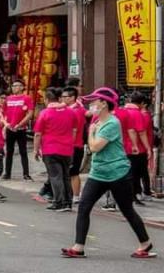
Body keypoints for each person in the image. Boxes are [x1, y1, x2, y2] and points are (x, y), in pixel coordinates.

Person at [62, 87, 156, 259]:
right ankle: (78, 247)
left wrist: (90, 133)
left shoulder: (112, 123)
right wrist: (92, 131)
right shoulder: (97, 121)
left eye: (94, 101)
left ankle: (145, 243)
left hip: (117, 173)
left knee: (127, 209)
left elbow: (95, 146)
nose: (91, 104)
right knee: (84, 206)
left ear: (104, 103)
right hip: (98, 172)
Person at [33, 87, 77, 212]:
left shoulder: (45, 113)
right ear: (59, 99)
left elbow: (37, 134)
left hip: (50, 149)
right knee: (66, 176)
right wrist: (70, 143)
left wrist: (36, 150)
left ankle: (59, 202)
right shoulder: (70, 112)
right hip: (67, 149)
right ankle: (68, 202)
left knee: (55, 176)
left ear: (47, 100)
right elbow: (74, 130)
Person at [119, 91, 151, 205]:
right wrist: (148, 148)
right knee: (135, 174)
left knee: (126, 173)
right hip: (135, 149)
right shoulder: (137, 114)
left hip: (121, 147)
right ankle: (133, 195)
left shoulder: (121, 111)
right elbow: (141, 133)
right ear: (141, 103)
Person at [4, 79, 35, 181]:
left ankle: (26, 174)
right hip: (10, 128)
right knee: (9, 152)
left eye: (17, 85)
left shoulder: (27, 98)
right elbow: (4, 113)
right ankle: (7, 173)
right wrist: (6, 125)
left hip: (21, 129)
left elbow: (30, 114)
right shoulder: (8, 99)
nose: (14, 88)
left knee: (23, 151)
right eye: (13, 86)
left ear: (22, 87)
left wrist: (20, 124)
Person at [62, 85, 87, 203]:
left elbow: (74, 130)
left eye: (65, 97)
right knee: (70, 172)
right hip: (72, 145)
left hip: (74, 145)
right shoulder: (73, 109)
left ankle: (76, 196)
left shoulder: (76, 111)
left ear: (72, 98)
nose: (62, 99)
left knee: (73, 172)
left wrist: (68, 145)